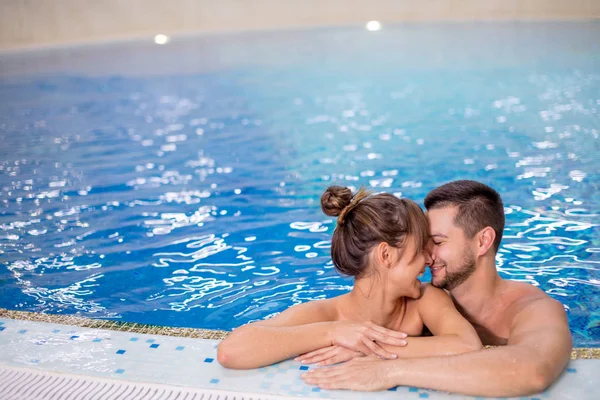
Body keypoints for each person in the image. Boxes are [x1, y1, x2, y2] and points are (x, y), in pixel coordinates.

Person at [302, 180, 573, 397]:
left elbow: (531, 371)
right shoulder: (417, 303)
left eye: (438, 242)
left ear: (483, 242)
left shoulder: (534, 309)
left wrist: (389, 371)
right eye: (423, 242)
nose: (425, 254)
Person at [217, 185, 482, 369]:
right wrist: (333, 332)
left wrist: (368, 347)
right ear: (386, 256)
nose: (427, 259)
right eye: (418, 251)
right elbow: (231, 351)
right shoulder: (329, 315)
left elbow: (468, 346)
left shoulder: (425, 300)